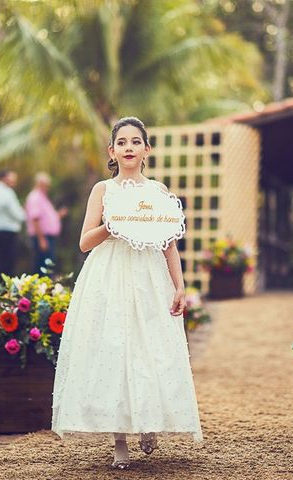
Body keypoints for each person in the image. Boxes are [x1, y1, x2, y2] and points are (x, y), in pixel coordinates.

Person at [51, 117, 203, 470]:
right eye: (122, 142)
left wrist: (179, 285)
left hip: (149, 277)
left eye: (136, 141)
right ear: (113, 150)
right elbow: (84, 241)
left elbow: (169, 245)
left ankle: (148, 422)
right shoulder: (103, 190)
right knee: (116, 347)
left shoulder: (159, 192)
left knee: (150, 347)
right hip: (110, 276)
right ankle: (120, 438)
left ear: (147, 149)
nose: (129, 147)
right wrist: (112, 225)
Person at [25, 172, 68, 273]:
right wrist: (41, 239)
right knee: (43, 266)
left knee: (48, 264)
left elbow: (46, 217)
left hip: (47, 237)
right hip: (42, 237)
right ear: (39, 184)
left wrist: (58, 215)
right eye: (45, 185)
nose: (47, 188)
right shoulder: (35, 197)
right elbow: (35, 219)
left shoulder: (42, 197)